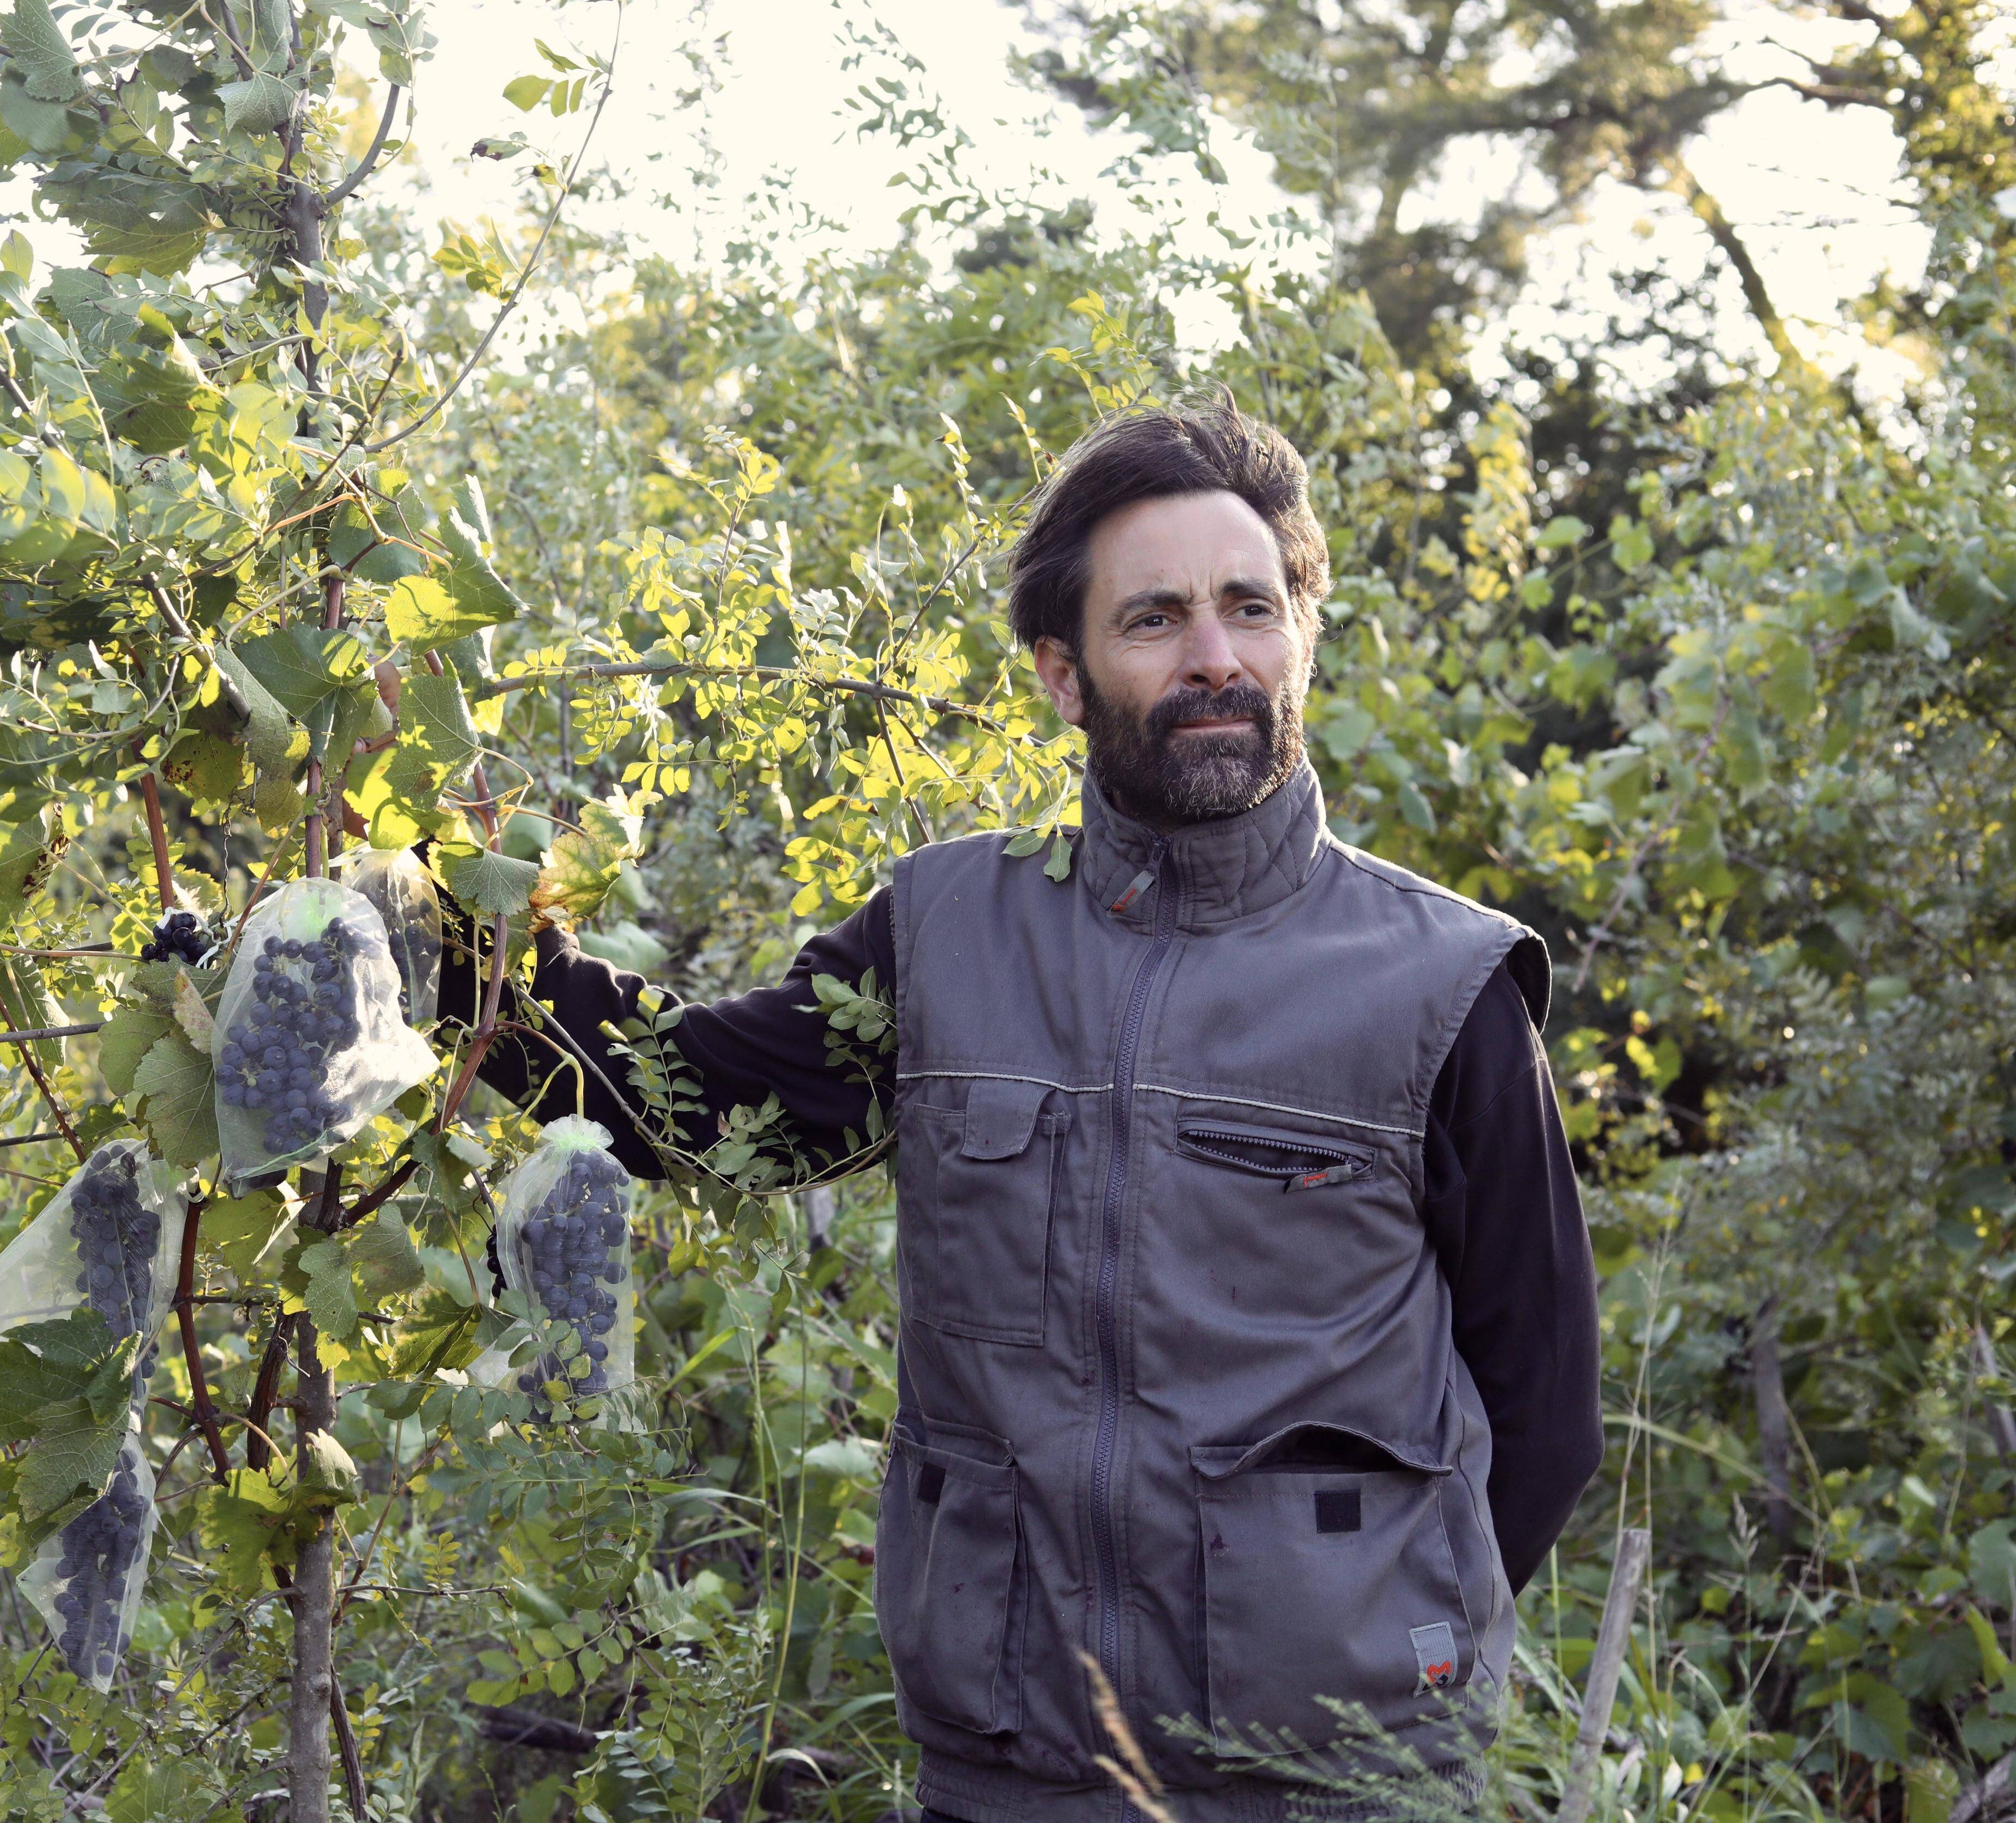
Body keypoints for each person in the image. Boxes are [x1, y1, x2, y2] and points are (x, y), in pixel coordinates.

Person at [445, 399, 1603, 1821]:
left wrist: (1368, 1647)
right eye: (1155, 621)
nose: (1216, 658)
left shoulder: (1442, 982)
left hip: (1336, 1781)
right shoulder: (945, 934)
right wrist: (431, 953)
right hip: (1009, 1774)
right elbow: (693, 1100)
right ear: (1063, 673)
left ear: (1304, 627)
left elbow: (1544, 1407)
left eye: (1252, 608)